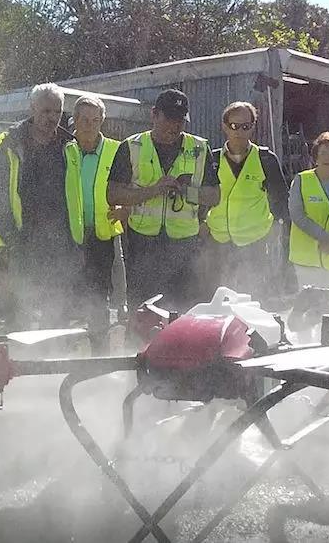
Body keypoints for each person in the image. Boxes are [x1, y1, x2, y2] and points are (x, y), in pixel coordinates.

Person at [107, 89, 220, 312]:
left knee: (184, 313)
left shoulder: (199, 148)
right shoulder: (131, 146)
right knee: (144, 313)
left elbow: (215, 195)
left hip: (185, 246)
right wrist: (154, 190)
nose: (175, 126)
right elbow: (113, 194)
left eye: (180, 120)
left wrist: (186, 192)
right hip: (143, 245)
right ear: (154, 115)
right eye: (169, 118)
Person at [0, 83, 79, 327]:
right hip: (22, 240)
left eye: (57, 112)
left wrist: (75, 240)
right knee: (20, 313)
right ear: (32, 108)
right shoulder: (11, 142)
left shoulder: (69, 145)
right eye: (46, 111)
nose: (52, 118)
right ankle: (21, 362)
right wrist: (12, 239)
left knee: (58, 313)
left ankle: (55, 362)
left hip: (59, 243)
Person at [204, 101, 289, 298]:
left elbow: (281, 202)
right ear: (224, 126)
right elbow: (200, 197)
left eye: (245, 126)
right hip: (218, 242)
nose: (239, 131)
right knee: (217, 299)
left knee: (254, 299)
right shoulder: (212, 160)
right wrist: (202, 225)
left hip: (255, 244)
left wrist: (275, 231)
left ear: (252, 127)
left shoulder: (266, 159)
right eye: (234, 126)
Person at [64, 95, 124, 354]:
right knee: (66, 296)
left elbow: (133, 186)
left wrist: (127, 208)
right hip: (68, 235)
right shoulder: (63, 149)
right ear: (74, 120)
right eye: (84, 120)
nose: (89, 125)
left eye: (95, 120)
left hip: (103, 235)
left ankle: (101, 358)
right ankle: (63, 356)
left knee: (100, 298)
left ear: (102, 121)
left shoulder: (118, 150)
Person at [288, 132, 329, 289]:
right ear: (315, 158)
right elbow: (297, 214)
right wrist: (324, 238)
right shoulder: (301, 180)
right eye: (323, 153)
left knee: (328, 305)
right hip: (306, 257)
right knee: (308, 304)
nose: (328, 157)